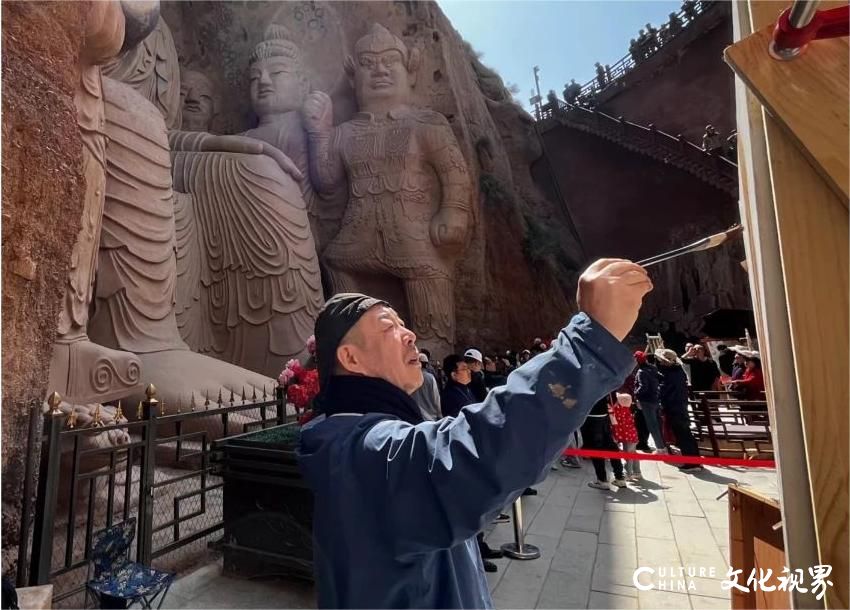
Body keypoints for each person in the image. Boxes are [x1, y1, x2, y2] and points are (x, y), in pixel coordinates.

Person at [297, 258, 652, 608]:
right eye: (388, 326)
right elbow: (471, 454)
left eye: (403, 323)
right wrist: (587, 346)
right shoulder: (359, 453)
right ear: (351, 358)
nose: (410, 335)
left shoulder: (363, 437)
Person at [655, 348, 702, 472]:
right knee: (686, 433)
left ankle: (691, 462)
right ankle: (696, 460)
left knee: (683, 434)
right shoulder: (678, 371)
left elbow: (664, 391)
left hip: (674, 406)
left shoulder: (669, 374)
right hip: (680, 405)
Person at [582, 394, 628, 489]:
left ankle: (602, 480)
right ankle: (620, 477)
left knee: (595, 449)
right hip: (604, 414)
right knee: (611, 446)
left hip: (590, 415)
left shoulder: (588, 379)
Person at [634, 350, 666, 453]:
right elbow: (661, 379)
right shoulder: (653, 368)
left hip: (646, 401)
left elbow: (643, 387)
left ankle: (660, 449)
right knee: (658, 424)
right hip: (656, 399)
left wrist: (636, 394)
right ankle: (664, 446)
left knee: (652, 425)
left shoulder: (641, 372)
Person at [611, 393, 641, 480]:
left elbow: (616, 423)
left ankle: (628, 473)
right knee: (633, 454)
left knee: (628, 456)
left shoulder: (619, 411)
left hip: (628, 438)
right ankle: (637, 472)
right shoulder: (627, 410)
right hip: (632, 436)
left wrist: (616, 437)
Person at [440, 354, 475, 418]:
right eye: (464, 369)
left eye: (468, 368)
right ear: (454, 375)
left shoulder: (465, 388)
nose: (469, 371)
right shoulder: (450, 396)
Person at [412, 354, 442, 422]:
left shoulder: (409, 378)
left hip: (415, 417)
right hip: (431, 418)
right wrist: (440, 415)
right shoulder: (430, 378)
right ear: (426, 365)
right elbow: (436, 398)